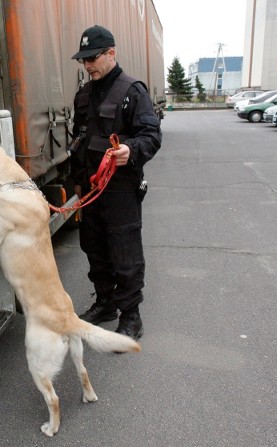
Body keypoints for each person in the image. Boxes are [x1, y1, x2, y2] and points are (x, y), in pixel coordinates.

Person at [69, 25, 161, 340]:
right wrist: (77, 184)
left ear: (111, 53)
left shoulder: (132, 91)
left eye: (93, 58)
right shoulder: (83, 94)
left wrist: (130, 150)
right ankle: (105, 303)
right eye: (83, 60)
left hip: (121, 188)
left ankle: (131, 316)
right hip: (91, 191)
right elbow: (77, 142)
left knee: (125, 253)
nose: (87, 65)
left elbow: (151, 136)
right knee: (94, 248)